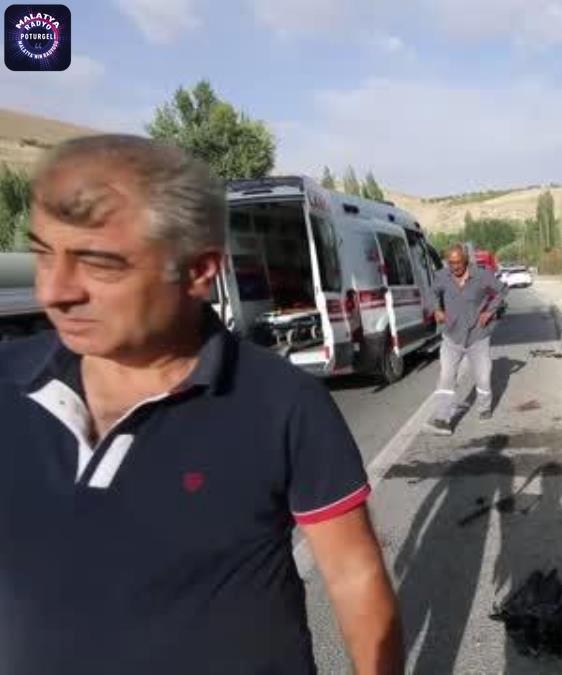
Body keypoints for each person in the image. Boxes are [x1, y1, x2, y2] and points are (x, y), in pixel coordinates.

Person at [0, 135, 402, 674]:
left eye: (99, 264)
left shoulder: (284, 404)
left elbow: (355, 575)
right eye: (44, 254)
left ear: (198, 271)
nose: (55, 292)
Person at [426, 243, 507, 435]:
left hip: (477, 336)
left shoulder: (481, 275)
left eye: (458, 262)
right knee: (446, 376)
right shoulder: (442, 277)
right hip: (452, 336)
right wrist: (436, 308)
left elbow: (502, 290)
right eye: (451, 263)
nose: (455, 267)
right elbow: (431, 293)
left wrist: (489, 311)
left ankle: (484, 408)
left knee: (483, 378)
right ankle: (442, 419)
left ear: (466, 261)